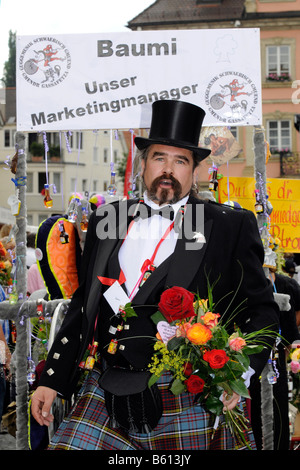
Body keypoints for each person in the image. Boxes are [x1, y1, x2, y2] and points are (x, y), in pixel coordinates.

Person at [31, 100, 279, 450]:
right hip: (107, 384)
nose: (169, 169)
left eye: (181, 161)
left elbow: (263, 311)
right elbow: (84, 303)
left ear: (194, 171)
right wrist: (52, 378)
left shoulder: (225, 225)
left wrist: (238, 372)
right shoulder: (109, 219)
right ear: (143, 164)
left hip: (187, 387)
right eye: (160, 157)